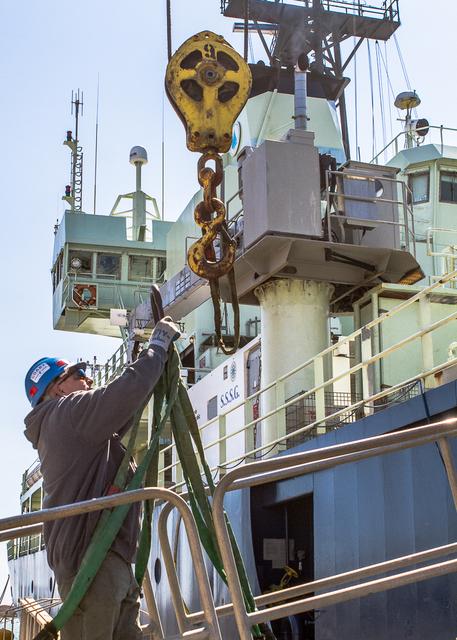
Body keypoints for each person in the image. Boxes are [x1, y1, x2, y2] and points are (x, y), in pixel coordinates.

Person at [23, 317, 180, 640]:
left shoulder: (62, 424)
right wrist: (158, 346)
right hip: (92, 565)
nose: (88, 378)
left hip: (106, 562)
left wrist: (149, 364)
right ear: (57, 389)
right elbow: (120, 396)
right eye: (79, 375)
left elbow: (122, 410)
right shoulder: (66, 414)